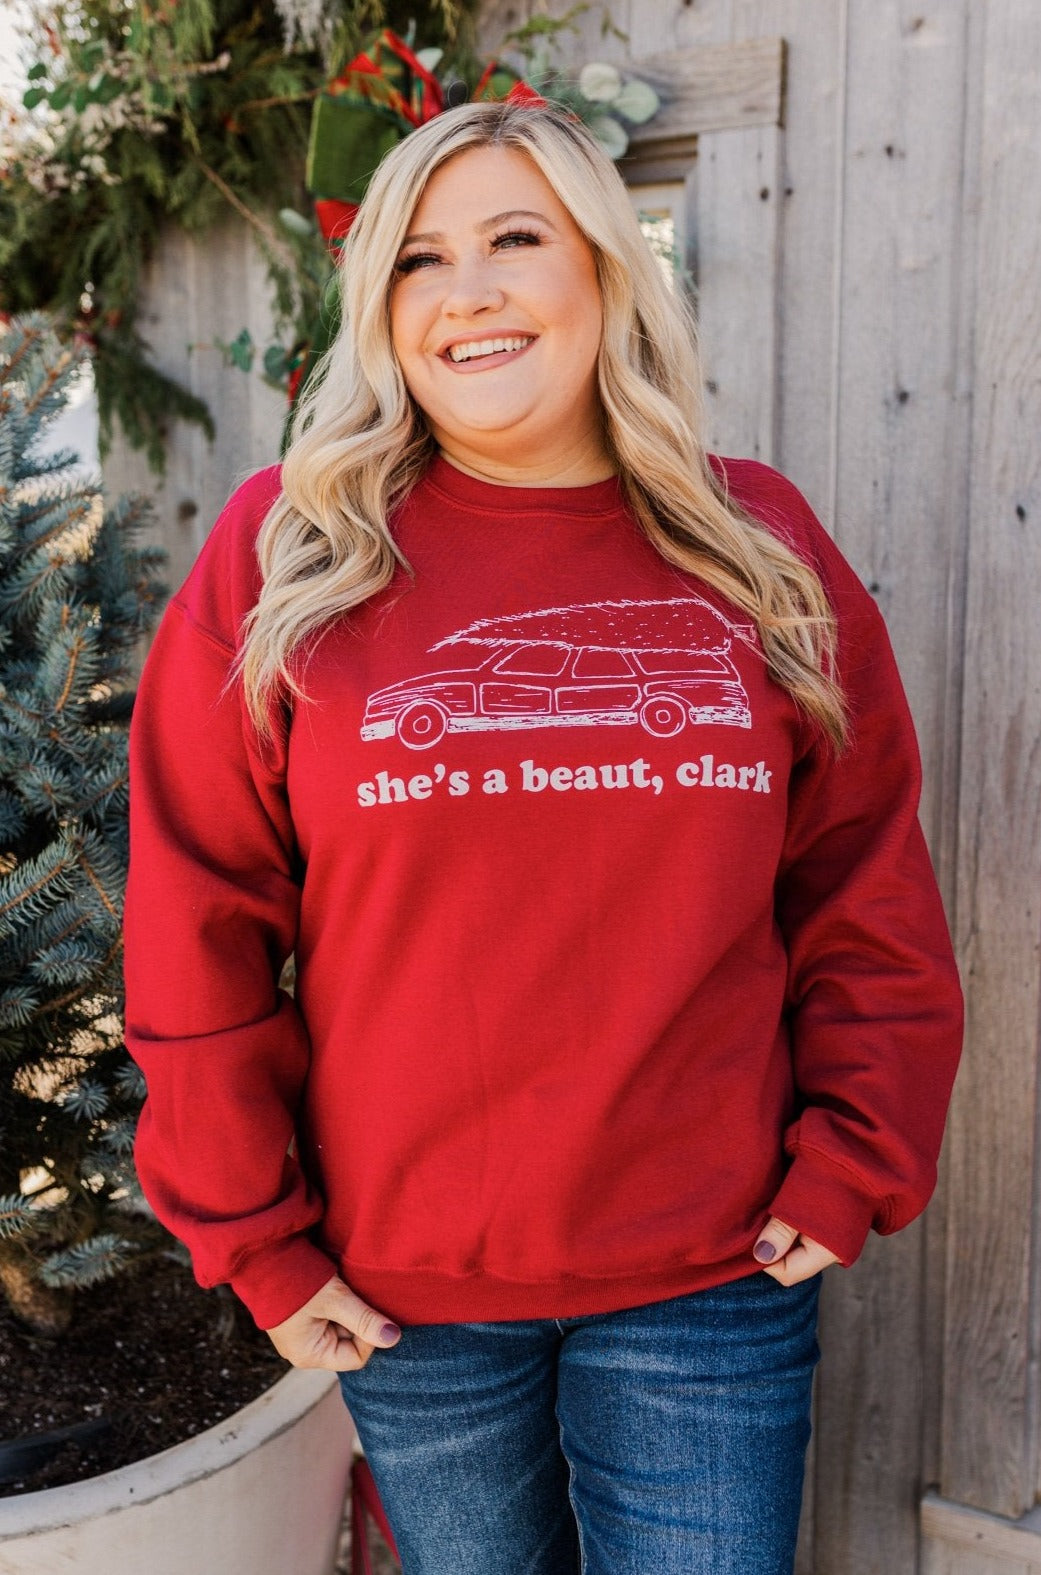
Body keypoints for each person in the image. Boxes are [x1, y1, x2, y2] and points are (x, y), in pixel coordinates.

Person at [124, 100, 963, 1575]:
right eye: (419, 258)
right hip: (406, 1295)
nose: (468, 291)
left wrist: (855, 1156)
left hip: (712, 1275)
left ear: (604, 270)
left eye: (515, 238)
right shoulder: (293, 552)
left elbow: (861, 881)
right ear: (382, 304)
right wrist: (254, 1240)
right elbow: (197, 917)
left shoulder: (751, 543)